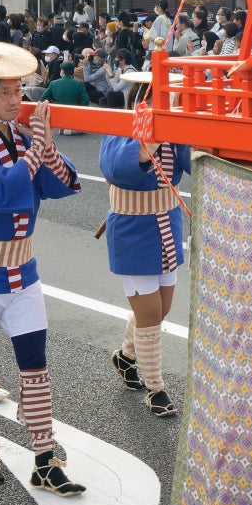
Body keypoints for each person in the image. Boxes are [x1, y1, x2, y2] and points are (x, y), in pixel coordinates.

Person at [0, 42, 83, 494]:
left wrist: (46, 147)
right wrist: (34, 151)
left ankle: (44, 455)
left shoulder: (23, 139)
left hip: (22, 271)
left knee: (35, 364)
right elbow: (3, 194)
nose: (14, 100)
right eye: (5, 93)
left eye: (18, 92)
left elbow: (63, 187)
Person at [99, 70, 190, 418]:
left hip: (167, 223)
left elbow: (188, 161)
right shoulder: (121, 124)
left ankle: (125, 355)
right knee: (150, 315)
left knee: (161, 308)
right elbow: (115, 168)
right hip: (133, 230)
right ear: (143, 98)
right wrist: (151, 135)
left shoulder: (174, 124)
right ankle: (156, 388)